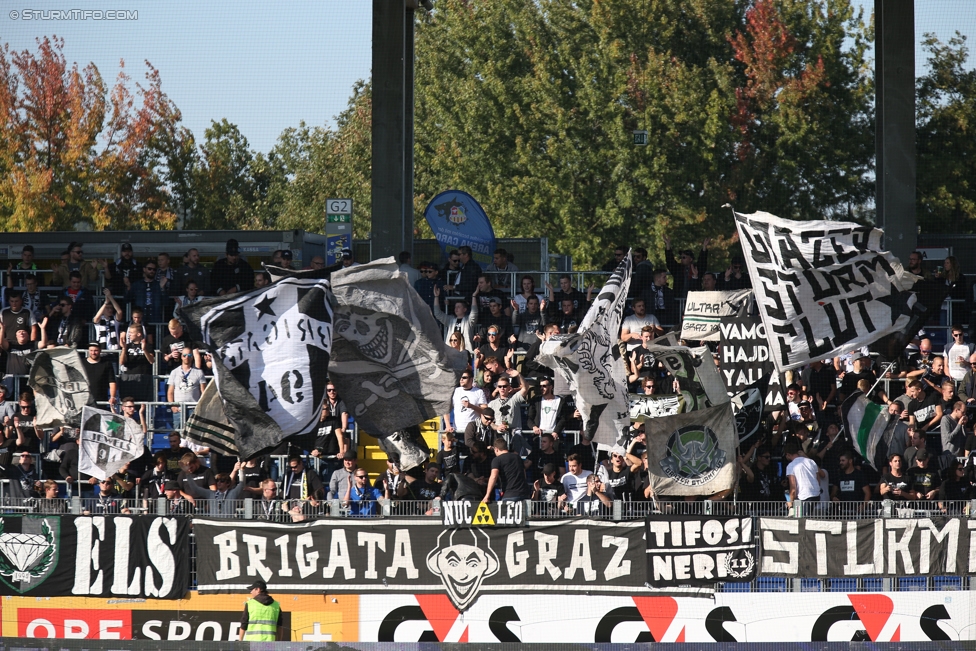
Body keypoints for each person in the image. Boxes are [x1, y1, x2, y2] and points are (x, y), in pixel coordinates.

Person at [167, 350, 207, 431]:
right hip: (179, 408)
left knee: (194, 433)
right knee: (178, 433)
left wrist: (201, 407)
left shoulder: (199, 372)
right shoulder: (174, 372)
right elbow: (170, 392)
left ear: (192, 357)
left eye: (189, 355)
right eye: (184, 355)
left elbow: (203, 392)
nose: (187, 357)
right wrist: (172, 405)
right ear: (181, 356)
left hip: (194, 408)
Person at [482, 437, 531, 502]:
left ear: (496, 449)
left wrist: (487, 496)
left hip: (510, 495)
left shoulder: (497, 460)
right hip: (524, 493)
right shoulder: (517, 457)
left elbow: (493, 476)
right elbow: (524, 473)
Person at [432, 285, 477, 352]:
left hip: (465, 353)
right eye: (455, 307)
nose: (456, 308)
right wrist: (436, 297)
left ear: (465, 309)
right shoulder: (450, 320)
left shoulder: (469, 321)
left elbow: (474, 312)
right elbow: (437, 314)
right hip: (451, 353)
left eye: (459, 307)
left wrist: (474, 296)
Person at [662, 235, 709, 299]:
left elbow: (702, 261)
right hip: (679, 298)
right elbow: (670, 261)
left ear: (690, 259)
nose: (682, 259)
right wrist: (668, 245)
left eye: (684, 257)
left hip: (694, 300)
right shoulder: (677, 269)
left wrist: (704, 247)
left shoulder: (696, 268)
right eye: (681, 257)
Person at [118, 325, 155, 402]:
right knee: (128, 402)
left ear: (138, 334)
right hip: (129, 376)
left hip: (143, 377)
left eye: (131, 332)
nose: (129, 334)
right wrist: (124, 348)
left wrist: (144, 349)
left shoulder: (148, 346)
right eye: (129, 332)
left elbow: (152, 361)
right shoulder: (127, 346)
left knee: (142, 403)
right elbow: (121, 362)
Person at [784, 439, 822, 507]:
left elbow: (793, 488)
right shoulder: (811, 461)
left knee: (801, 516)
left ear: (788, 454)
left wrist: (790, 502)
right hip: (816, 495)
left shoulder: (791, 466)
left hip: (803, 497)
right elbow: (818, 480)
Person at [81, 342, 118, 406]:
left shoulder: (106, 363)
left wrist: (112, 397)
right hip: (84, 400)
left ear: (100, 350)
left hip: (101, 400)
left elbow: (112, 381)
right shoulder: (82, 363)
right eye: (91, 350)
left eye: (96, 350)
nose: (93, 353)